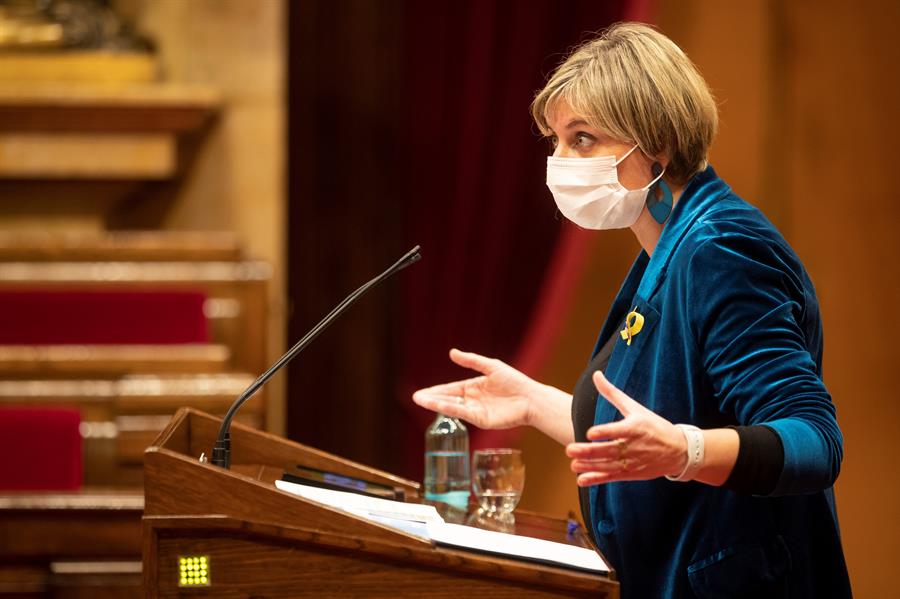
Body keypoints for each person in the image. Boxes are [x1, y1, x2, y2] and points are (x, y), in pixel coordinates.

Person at [412, 22, 852, 599]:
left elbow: (815, 441)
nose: (560, 160)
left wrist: (686, 452)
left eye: (583, 138)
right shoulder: (665, 247)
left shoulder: (721, 247)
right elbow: (661, 415)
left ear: (655, 146)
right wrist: (533, 401)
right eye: (555, 140)